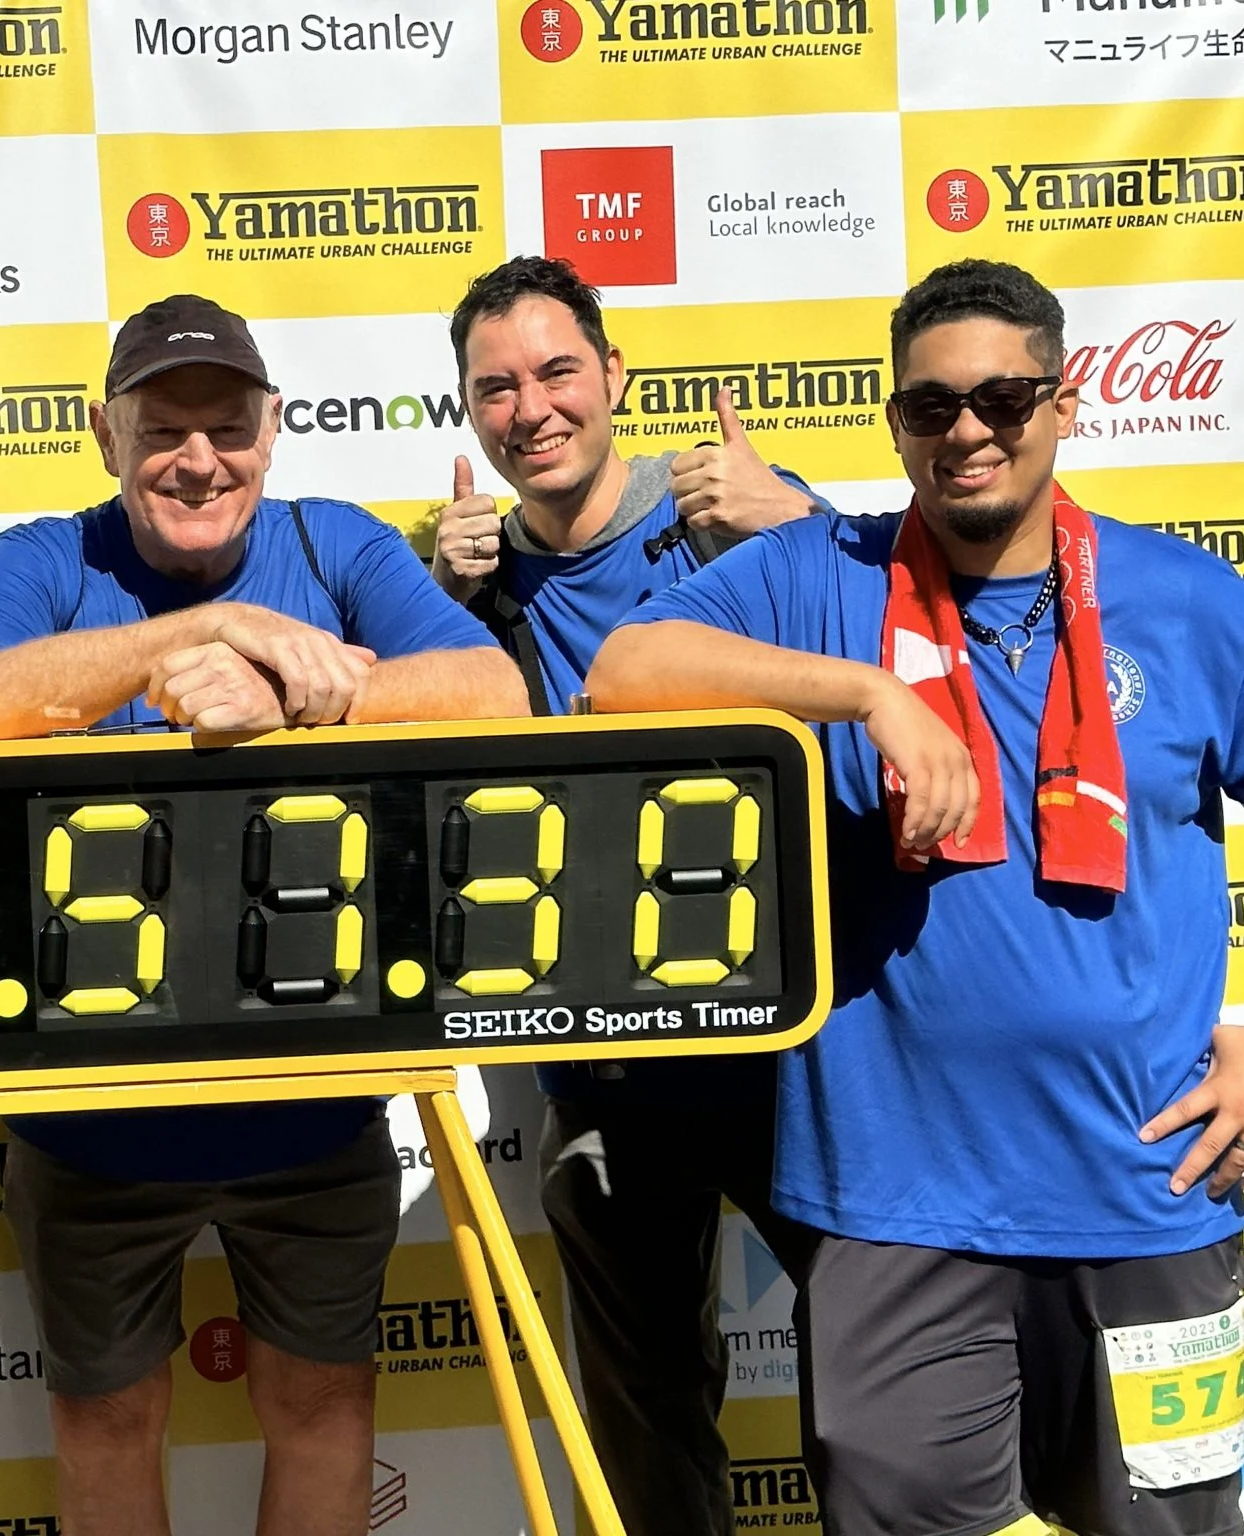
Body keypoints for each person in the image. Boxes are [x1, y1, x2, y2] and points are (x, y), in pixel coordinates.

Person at [587, 259, 1244, 1536]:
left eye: (1001, 399)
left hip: (1147, 1197)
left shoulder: (1185, 601)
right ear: (894, 422)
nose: (965, 432)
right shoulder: (818, 574)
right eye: (928, 407)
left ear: (1062, 403)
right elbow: (620, 672)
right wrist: (868, 693)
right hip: (894, 1214)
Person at [0, 293, 527, 1536]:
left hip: (314, 1100)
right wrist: (205, 629)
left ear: (271, 430)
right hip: (88, 1118)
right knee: (105, 1422)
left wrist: (299, 694)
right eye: (162, 430)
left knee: (321, 1407)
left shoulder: (336, 543)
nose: (197, 460)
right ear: (105, 435)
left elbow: (491, 690)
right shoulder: (43, 557)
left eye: (227, 428)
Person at [426, 253, 824, 1536]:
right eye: (495, 388)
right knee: (642, 1421)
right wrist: (439, 604)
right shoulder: (469, 578)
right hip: (599, 1061)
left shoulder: (731, 510)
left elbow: (905, 661)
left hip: (790, 1050)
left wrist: (798, 521)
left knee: (869, 1386)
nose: (529, 409)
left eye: (555, 372)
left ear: (611, 375)